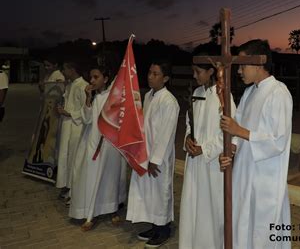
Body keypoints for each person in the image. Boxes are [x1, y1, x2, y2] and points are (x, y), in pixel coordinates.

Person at [219, 39, 293, 249]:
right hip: (244, 172)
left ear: (259, 64)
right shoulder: (250, 92)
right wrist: (231, 150)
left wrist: (238, 131)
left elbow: (277, 141)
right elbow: (238, 129)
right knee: (243, 227)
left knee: (262, 231)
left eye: (243, 66)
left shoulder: (278, 92)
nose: (239, 71)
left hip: (265, 178)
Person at [179, 53, 236, 249]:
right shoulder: (196, 93)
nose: (195, 76)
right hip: (194, 162)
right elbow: (190, 122)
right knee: (192, 207)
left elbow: (228, 133)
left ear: (211, 71)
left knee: (210, 210)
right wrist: (188, 139)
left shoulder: (223, 96)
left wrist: (205, 148)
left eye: (198, 72)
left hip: (211, 164)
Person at [127, 60, 179, 248]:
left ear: (165, 78)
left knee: (160, 192)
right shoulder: (148, 95)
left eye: (155, 74)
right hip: (145, 155)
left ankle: (163, 229)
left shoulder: (169, 101)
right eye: (149, 72)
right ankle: (154, 226)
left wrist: (155, 160)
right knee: (149, 193)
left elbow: (166, 134)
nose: (150, 76)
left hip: (159, 159)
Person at [69, 65, 127, 231]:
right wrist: (88, 97)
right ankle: (91, 213)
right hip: (93, 142)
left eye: (96, 77)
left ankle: (112, 209)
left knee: (110, 178)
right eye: (91, 77)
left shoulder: (113, 97)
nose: (92, 80)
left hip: (110, 144)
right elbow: (86, 119)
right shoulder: (94, 97)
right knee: (93, 177)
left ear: (106, 79)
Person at [55, 61, 89, 201]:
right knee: (65, 157)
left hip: (77, 127)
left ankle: (74, 191)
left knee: (74, 158)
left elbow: (86, 110)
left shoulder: (83, 86)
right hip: (66, 126)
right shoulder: (69, 85)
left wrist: (69, 113)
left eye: (64, 69)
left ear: (72, 69)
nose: (62, 72)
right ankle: (67, 186)